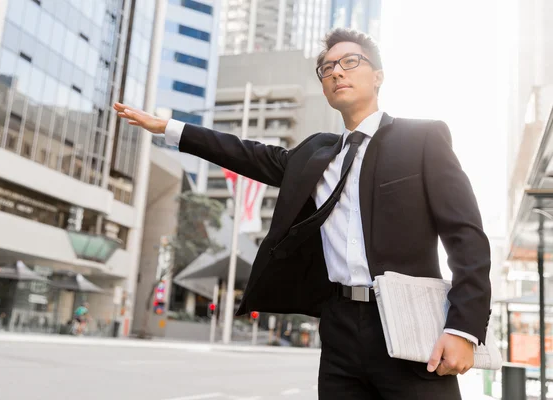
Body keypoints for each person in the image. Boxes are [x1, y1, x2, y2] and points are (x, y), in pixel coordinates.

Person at [114, 28, 491, 399]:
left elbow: (466, 237)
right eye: (326, 68)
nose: (336, 72)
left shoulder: (422, 138)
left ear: (378, 76)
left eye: (349, 62)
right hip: (339, 327)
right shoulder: (316, 154)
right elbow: (245, 152)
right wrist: (170, 128)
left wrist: (463, 328)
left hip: (410, 327)